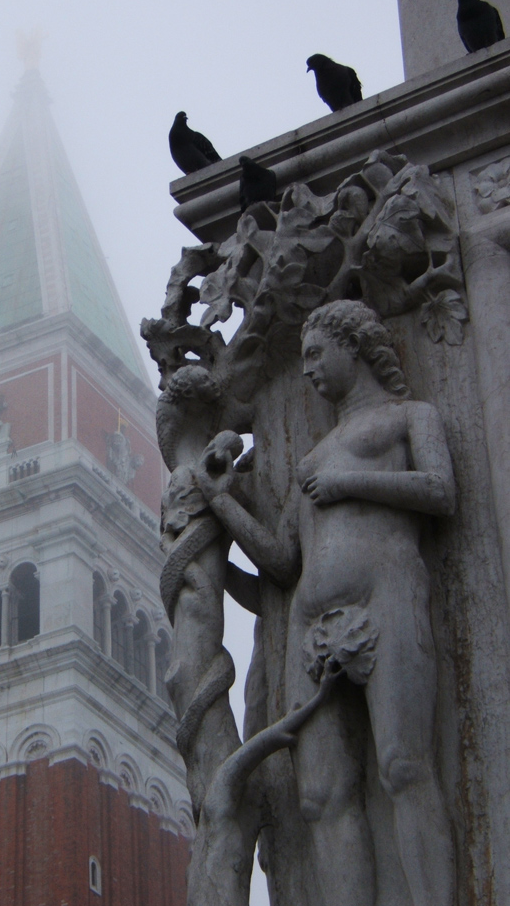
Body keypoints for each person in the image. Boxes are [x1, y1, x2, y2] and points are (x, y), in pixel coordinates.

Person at [195, 300, 455, 906]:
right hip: (312, 624)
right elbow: (282, 562)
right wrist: (219, 504)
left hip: (386, 595)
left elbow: (440, 491)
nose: (309, 368)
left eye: (316, 354)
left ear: (354, 346)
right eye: (304, 357)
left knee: (403, 767)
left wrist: (350, 484)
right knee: (321, 796)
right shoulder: (312, 459)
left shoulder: (408, 417)